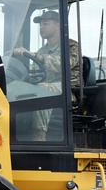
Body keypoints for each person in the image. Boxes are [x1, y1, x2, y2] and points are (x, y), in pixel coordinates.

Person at [11, 10, 82, 140]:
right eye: (40, 25)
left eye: (45, 24)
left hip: (69, 90)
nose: (41, 28)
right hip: (48, 87)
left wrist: (37, 57)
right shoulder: (42, 50)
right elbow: (36, 73)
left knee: (43, 89)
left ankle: (39, 136)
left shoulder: (72, 46)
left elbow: (64, 63)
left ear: (58, 25)